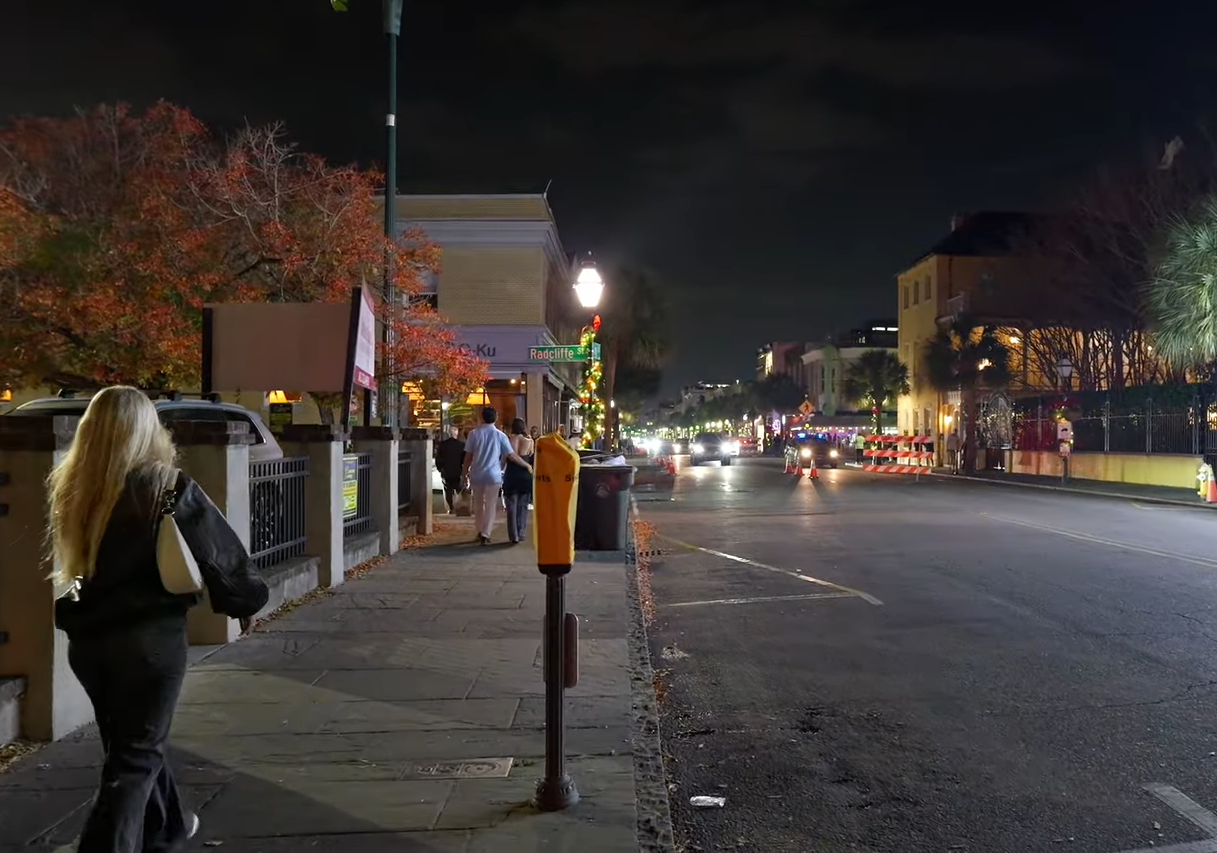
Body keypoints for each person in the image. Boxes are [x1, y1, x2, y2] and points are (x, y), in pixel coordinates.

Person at [48, 386, 269, 853]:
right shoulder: (166, 487)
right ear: (149, 429)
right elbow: (219, 553)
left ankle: (166, 829)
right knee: (135, 756)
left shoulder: (74, 486)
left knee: (131, 743)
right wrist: (243, 601)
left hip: (89, 641)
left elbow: (73, 568)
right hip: (148, 639)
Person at [462, 406, 533, 545]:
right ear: (495, 418)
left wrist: (464, 473)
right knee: (490, 505)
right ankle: (486, 533)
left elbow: (468, 456)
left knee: (478, 505)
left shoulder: (473, 434)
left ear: (482, 417)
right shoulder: (500, 435)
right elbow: (511, 455)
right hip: (493, 475)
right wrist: (526, 465)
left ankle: (479, 530)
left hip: (477, 474)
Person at [503, 418, 535, 545]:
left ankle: (514, 535)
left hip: (511, 473)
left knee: (511, 506)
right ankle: (521, 532)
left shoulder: (509, 440)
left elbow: (506, 457)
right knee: (523, 505)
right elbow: (531, 454)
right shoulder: (529, 441)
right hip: (524, 475)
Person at [434, 425, 465, 514]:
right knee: (459, 489)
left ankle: (450, 508)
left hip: (446, 472)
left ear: (448, 433)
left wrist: (440, 469)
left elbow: (438, 459)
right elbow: (464, 459)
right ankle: (458, 506)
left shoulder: (442, 445)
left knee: (448, 490)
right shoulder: (461, 445)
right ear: (457, 433)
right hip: (458, 471)